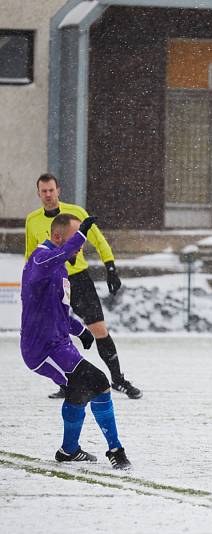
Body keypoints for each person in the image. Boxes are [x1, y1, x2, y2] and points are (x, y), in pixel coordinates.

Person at [20, 213, 132, 469]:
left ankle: (69, 451)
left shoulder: (58, 266)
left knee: (80, 391)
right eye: (76, 241)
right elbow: (59, 254)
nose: (79, 249)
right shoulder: (41, 258)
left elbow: (58, 309)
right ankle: (116, 450)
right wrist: (83, 232)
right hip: (43, 349)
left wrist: (79, 330)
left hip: (59, 345)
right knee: (100, 382)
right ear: (58, 238)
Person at [25, 173, 141, 399]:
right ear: (38, 194)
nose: (48, 195)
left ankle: (118, 380)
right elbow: (31, 255)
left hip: (77, 280)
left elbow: (98, 240)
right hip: (52, 283)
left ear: (58, 190)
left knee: (98, 329)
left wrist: (110, 267)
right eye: (43, 191)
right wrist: (29, 288)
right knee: (58, 331)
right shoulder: (32, 220)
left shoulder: (76, 213)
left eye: (51, 190)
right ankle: (66, 382)